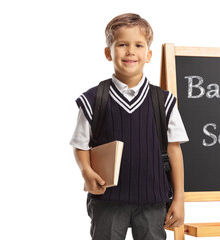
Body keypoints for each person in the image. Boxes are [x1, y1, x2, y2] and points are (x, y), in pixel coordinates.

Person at [70, 13, 189, 240]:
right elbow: (80, 144)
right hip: (107, 200)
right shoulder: (94, 99)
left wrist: (179, 198)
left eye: (138, 45)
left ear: (149, 54)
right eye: (122, 44)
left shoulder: (164, 101)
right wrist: (86, 172)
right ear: (108, 52)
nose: (130, 51)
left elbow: (174, 150)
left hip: (153, 199)